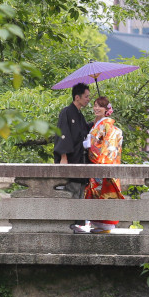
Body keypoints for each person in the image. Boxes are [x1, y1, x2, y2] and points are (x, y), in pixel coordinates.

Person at [76, 96, 124, 234]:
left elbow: (107, 146)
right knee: (94, 193)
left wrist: (88, 145)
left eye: (100, 106)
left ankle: (104, 225)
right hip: (95, 164)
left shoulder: (106, 124)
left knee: (102, 194)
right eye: (95, 105)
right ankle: (98, 224)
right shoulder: (98, 124)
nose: (96, 108)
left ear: (106, 110)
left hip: (102, 163)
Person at [55, 83, 91, 230]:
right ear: (77, 97)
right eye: (86, 96)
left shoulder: (79, 115)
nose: (88, 99)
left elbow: (84, 131)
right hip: (70, 159)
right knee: (72, 191)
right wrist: (63, 157)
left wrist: (101, 118)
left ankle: (76, 223)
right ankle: (68, 223)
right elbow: (63, 134)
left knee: (80, 192)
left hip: (80, 159)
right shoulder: (67, 112)